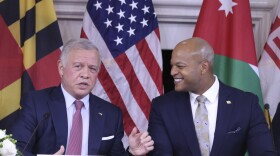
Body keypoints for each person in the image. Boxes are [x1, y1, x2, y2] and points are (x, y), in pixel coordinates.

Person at [10, 38, 154, 155]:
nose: (85, 74)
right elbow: (16, 149)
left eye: (92, 68)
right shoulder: (37, 103)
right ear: (61, 68)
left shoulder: (111, 114)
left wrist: (132, 153)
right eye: (78, 66)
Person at [147, 37, 275, 156]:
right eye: (172, 65)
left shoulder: (246, 104)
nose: (172, 72)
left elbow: (264, 153)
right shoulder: (162, 107)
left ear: (203, 67)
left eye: (180, 66)